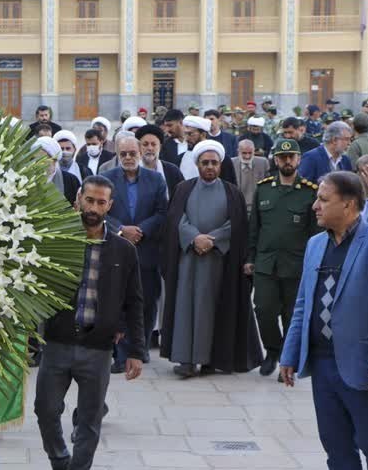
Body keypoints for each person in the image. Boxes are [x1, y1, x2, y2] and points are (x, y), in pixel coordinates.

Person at [35, 175, 143, 470]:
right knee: (45, 411)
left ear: (109, 206)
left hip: (98, 348)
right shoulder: (57, 240)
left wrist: (136, 351)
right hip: (57, 342)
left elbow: (134, 302)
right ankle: (60, 460)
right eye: (89, 200)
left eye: (100, 202)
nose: (93, 207)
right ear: (78, 199)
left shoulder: (124, 250)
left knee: (89, 421)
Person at [279, 171, 368, 469]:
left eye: (323, 199)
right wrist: (290, 353)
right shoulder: (316, 244)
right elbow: (303, 304)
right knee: (336, 447)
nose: (315, 205)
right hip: (323, 365)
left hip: (361, 366)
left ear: (348, 204)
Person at [161, 139, 263, 378]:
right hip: (188, 260)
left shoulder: (232, 192)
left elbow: (237, 225)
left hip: (219, 262)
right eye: (205, 162)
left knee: (214, 310)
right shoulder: (184, 188)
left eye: (214, 163)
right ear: (197, 164)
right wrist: (194, 237)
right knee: (187, 308)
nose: (209, 167)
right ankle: (187, 360)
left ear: (220, 165)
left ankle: (210, 359)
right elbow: (176, 219)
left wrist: (213, 240)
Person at [245, 139, 319, 381]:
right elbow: (254, 228)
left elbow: (315, 234)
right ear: (275, 160)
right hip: (266, 263)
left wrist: (313, 265)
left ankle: (287, 360)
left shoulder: (310, 191)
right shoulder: (264, 188)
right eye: (282, 157)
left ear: (298, 160)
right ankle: (272, 351)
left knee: (291, 315)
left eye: (291, 157)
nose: (287, 161)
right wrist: (250, 257)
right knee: (264, 310)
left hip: (296, 265)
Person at [102, 136, 167, 369]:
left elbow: (162, 212)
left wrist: (140, 230)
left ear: (140, 152)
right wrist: (121, 230)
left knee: (147, 301)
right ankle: (120, 354)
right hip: (116, 250)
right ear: (117, 155)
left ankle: (141, 348)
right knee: (117, 301)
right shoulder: (106, 180)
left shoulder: (156, 179)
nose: (128, 158)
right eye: (123, 154)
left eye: (132, 153)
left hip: (146, 249)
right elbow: (101, 213)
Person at [135, 125, 184, 201]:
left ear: (160, 147)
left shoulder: (172, 171)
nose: (150, 148)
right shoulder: (131, 171)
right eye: (145, 144)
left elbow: (181, 198)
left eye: (154, 144)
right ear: (138, 147)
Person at [32, 137, 80, 206]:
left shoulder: (71, 180)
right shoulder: (27, 179)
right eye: (34, 159)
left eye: (42, 159)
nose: (38, 163)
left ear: (54, 160)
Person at [231, 139, 270, 216]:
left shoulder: (263, 163)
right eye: (244, 153)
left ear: (254, 151)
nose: (247, 156)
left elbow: (267, 186)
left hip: (257, 207)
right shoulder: (231, 163)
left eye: (250, 153)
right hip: (237, 208)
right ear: (238, 151)